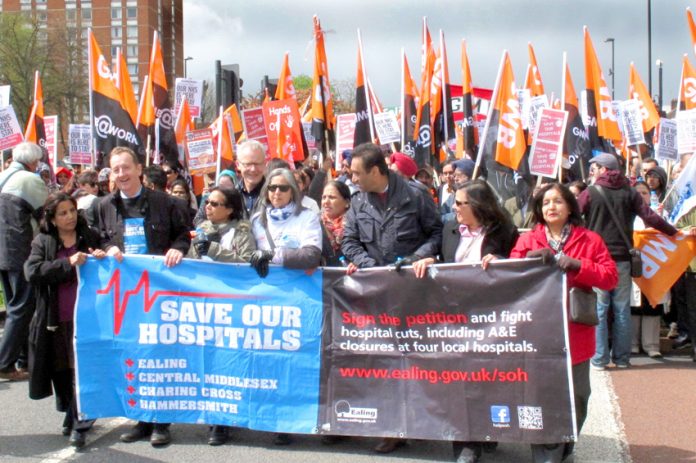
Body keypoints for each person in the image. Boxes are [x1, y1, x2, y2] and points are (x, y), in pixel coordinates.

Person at [341, 143, 442, 453]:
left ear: (375, 171)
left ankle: (423, 422)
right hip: (376, 292)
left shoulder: (415, 195)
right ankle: (391, 426)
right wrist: (372, 268)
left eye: (356, 173)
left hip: (414, 293)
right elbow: (349, 240)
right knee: (383, 362)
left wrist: (417, 258)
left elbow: (436, 233)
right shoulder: (358, 202)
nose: (352, 179)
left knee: (417, 361)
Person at [411, 180, 518, 463]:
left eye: (460, 203)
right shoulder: (449, 229)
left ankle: (490, 428)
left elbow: (519, 267)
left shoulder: (506, 231)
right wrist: (429, 260)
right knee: (460, 379)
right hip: (454, 318)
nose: (454, 208)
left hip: (490, 318)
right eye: (455, 202)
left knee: (487, 378)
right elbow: (442, 258)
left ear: (479, 206)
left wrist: (502, 261)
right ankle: (466, 444)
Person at [510, 182, 618, 463]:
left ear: (570, 206)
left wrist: (579, 266)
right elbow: (510, 276)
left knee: (578, 396)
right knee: (541, 395)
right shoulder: (528, 240)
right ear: (539, 210)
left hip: (576, 332)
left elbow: (610, 277)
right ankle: (546, 450)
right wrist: (528, 262)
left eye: (557, 201)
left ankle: (566, 439)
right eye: (545, 203)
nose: (551, 207)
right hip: (538, 332)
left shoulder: (590, 240)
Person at [94, 146, 191, 446]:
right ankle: (141, 419)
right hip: (125, 297)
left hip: (159, 295)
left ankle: (162, 421)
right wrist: (108, 248)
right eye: (116, 169)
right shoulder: (102, 206)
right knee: (133, 356)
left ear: (139, 169)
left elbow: (184, 233)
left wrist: (178, 247)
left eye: (126, 167)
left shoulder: (166, 203)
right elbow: (96, 236)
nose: (121, 174)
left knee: (159, 355)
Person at [577, 152, 677, 370]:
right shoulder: (629, 192)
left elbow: (574, 216)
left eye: (595, 168)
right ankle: (622, 358)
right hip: (622, 257)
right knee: (622, 308)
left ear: (603, 169)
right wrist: (673, 232)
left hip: (596, 258)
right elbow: (650, 217)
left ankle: (599, 358)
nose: (593, 171)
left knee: (600, 309)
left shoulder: (590, 192)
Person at [24, 193, 106, 448]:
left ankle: (79, 422)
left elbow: (107, 250)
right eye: (63, 213)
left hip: (87, 318)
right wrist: (66, 264)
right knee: (62, 370)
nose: (70, 217)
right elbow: (32, 271)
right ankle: (72, 412)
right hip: (56, 318)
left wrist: (103, 253)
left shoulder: (89, 235)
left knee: (81, 370)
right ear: (52, 218)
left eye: (72, 210)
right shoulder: (44, 241)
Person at [249, 167, 322, 446]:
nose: (276, 193)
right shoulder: (257, 219)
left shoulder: (307, 216)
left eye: (282, 188)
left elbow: (311, 254)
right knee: (269, 360)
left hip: (300, 298)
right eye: (271, 188)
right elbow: (248, 255)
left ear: (294, 190)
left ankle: (298, 417)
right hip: (266, 298)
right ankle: (276, 421)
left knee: (296, 359)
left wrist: (273, 255)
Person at [187, 186, 255, 446]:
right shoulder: (202, 228)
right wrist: (197, 248)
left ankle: (223, 422)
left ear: (230, 209)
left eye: (216, 204)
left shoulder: (242, 230)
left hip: (232, 303)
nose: (209, 207)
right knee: (207, 361)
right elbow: (192, 261)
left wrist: (214, 250)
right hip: (204, 303)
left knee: (228, 363)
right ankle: (211, 415)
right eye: (207, 202)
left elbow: (247, 261)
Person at [0, 142, 49, 381]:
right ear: (34, 161)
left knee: (14, 307)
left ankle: (21, 360)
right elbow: (48, 214)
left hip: (3, 251)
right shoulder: (29, 180)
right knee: (22, 306)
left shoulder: (4, 175)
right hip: (20, 249)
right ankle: (5, 362)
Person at [630, 181, 664, 358]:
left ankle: (651, 344)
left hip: (655, 265)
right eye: (638, 192)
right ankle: (633, 343)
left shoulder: (660, 215)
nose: (642, 195)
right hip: (634, 265)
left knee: (653, 303)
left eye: (645, 192)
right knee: (633, 305)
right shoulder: (627, 215)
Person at [320, 180, 351, 266]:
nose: (326, 202)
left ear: (347, 202)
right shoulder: (314, 224)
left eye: (332, 197)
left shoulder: (356, 224)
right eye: (324, 197)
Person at [236, 140, 269, 219]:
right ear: (238, 165)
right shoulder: (230, 196)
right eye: (248, 164)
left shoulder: (274, 194)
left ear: (265, 164)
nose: (253, 169)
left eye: (258, 164)